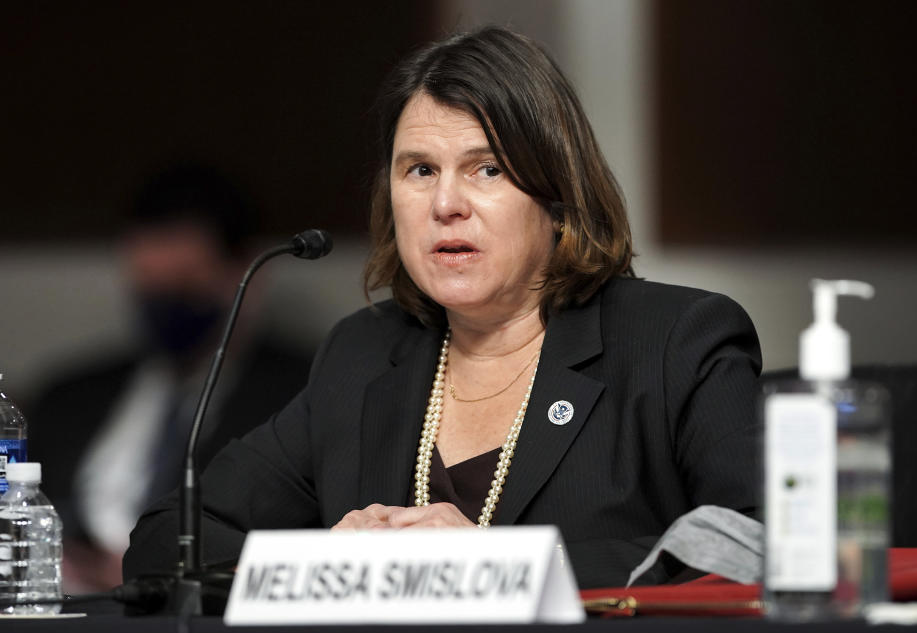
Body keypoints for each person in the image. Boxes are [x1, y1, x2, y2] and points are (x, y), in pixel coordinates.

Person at [123, 26, 761, 589]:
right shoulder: (364, 353)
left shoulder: (678, 341)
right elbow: (164, 543)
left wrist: (494, 562)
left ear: (559, 196)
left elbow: (761, 544)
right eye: (420, 170)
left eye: (486, 170)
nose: (445, 203)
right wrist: (325, 562)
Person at [29, 166, 312, 592]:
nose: (165, 307)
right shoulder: (68, 396)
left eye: (183, 287)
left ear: (248, 277)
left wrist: (154, 570)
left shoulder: (303, 393)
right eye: (149, 289)